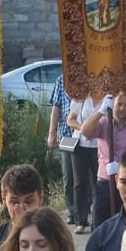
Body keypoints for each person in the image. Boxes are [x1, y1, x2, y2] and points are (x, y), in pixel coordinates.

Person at [80, 92, 126, 230]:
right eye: (119, 104)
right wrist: (101, 111)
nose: (122, 108)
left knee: (125, 227)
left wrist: (121, 168)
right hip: (104, 183)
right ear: (112, 104)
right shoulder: (103, 123)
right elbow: (85, 131)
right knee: (99, 226)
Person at [67, 92, 103, 234]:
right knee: (80, 182)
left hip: (99, 146)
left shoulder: (107, 99)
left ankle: (98, 219)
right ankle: (80, 221)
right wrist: (84, 127)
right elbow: (70, 120)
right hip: (80, 144)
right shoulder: (81, 98)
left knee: (98, 183)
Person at [46, 74, 76, 224]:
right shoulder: (61, 79)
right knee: (68, 175)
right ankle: (72, 211)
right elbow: (56, 107)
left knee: (86, 176)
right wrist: (51, 133)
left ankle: (84, 210)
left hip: (87, 136)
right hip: (67, 135)